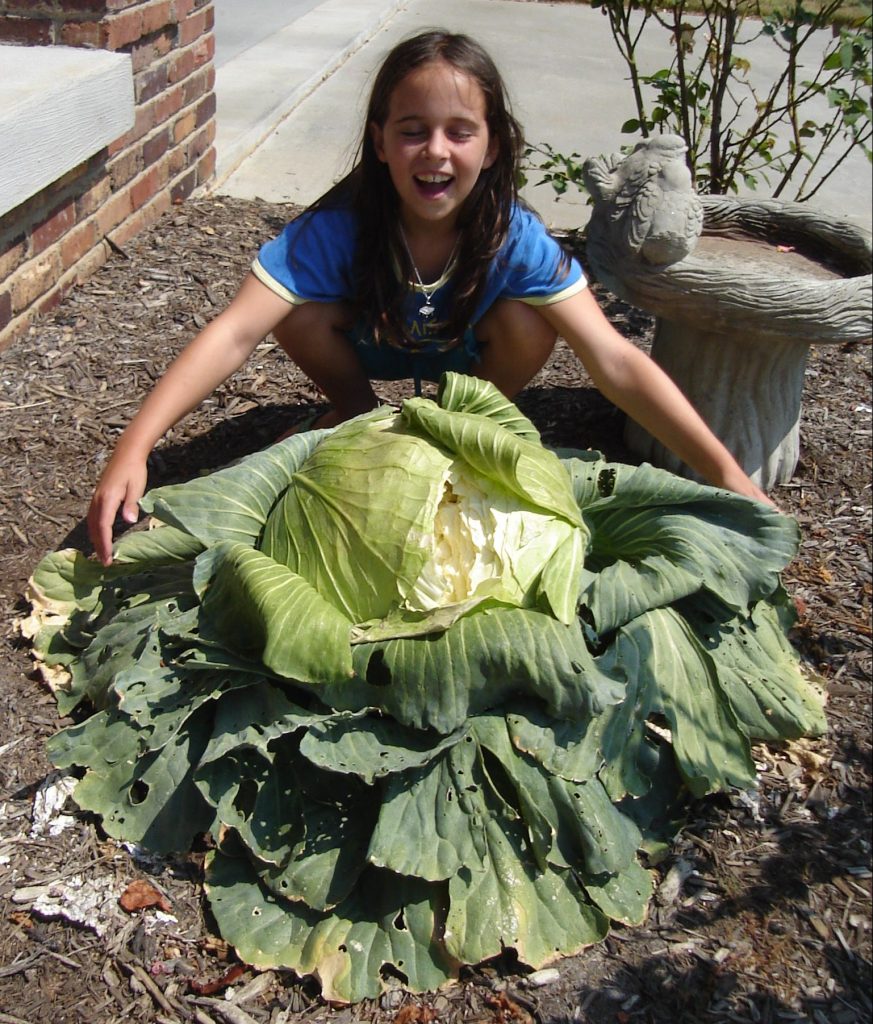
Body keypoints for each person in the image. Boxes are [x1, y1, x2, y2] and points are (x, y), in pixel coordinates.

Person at [88, 30, 772, 566]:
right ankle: (352, 410)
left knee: (533, 322)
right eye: (411, 129)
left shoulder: (515, 237)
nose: (434, 151)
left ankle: (453, 424)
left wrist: (722, 471)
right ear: (379, 143)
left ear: (494, 145)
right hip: (369, 345)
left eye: (459, 131)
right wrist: (136, 447)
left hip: (465, 366)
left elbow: (613, 359)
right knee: (293, 308)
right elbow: (234, 332)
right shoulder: (335, 229)